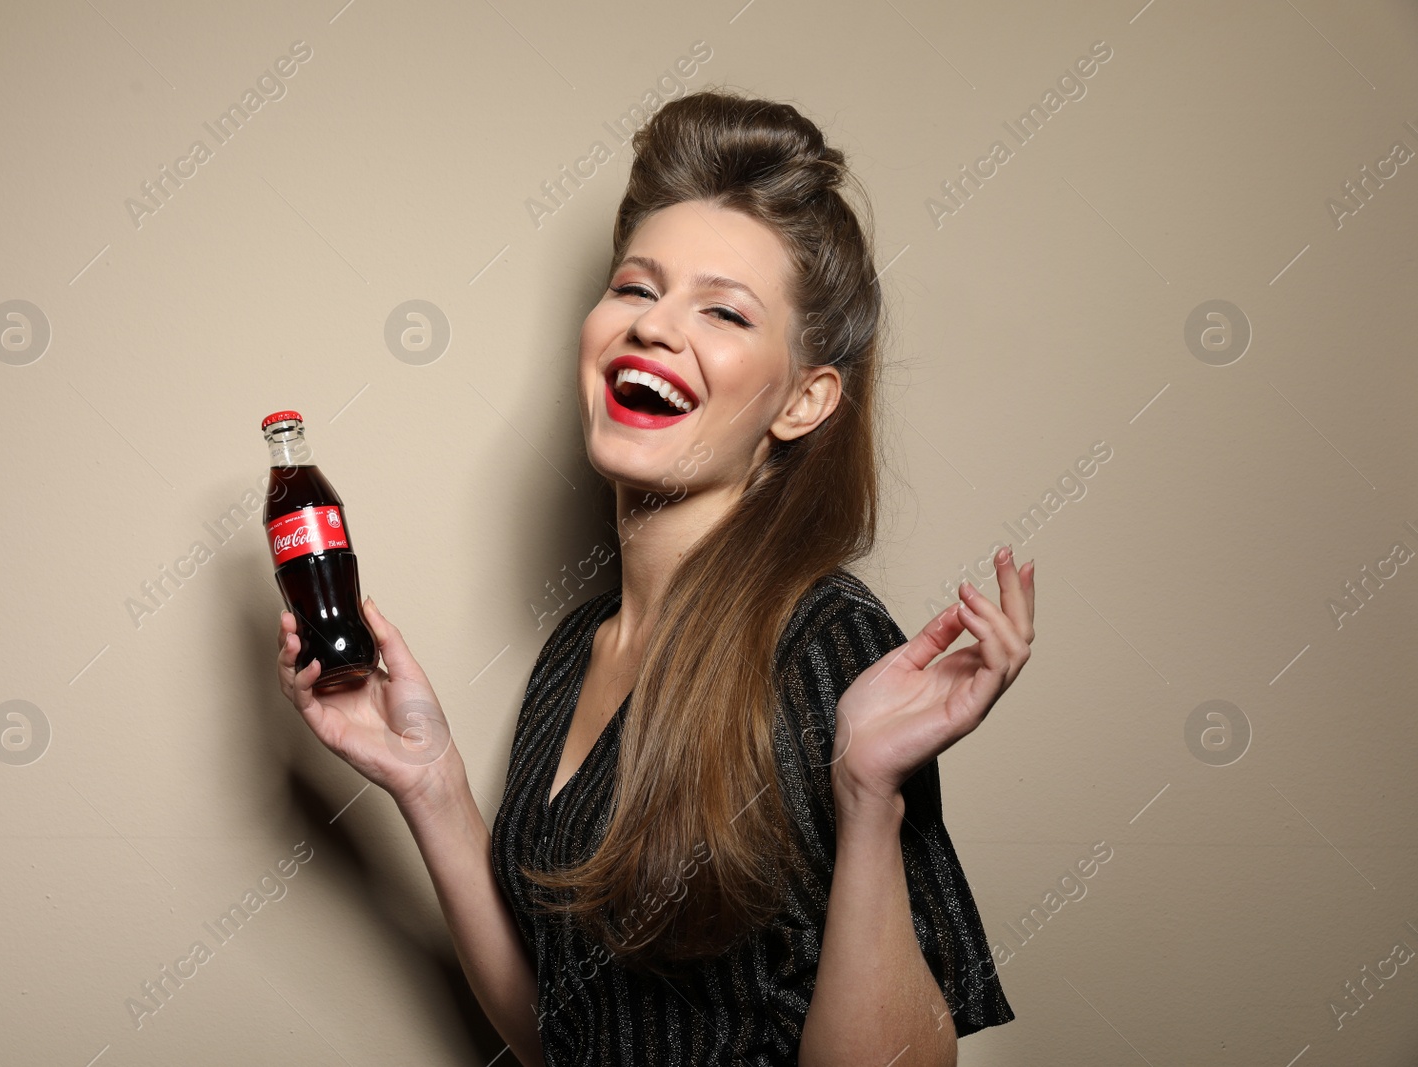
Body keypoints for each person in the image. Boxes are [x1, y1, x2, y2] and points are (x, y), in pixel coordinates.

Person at [276, 88, 1035, 1067]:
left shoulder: (823, 642)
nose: (653, 327)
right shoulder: (571, 656)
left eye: (721, 310)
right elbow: (560, 1031)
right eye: (636, 288)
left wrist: (867, 792)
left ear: (802, 401)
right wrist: (428, 783)